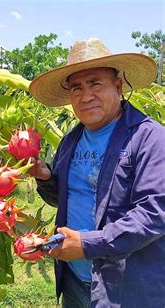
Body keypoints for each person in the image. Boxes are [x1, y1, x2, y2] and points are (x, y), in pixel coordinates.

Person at [27, 38, 165, 307]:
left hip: (126, 288)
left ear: (118, 85)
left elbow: (154, 213)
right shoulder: (70, 140)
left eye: (95, 83)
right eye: (77, 87)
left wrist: (88, 244)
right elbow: (67, 199)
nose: (85, 95)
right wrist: (45, 177)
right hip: (74, 280)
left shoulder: (150, 138)